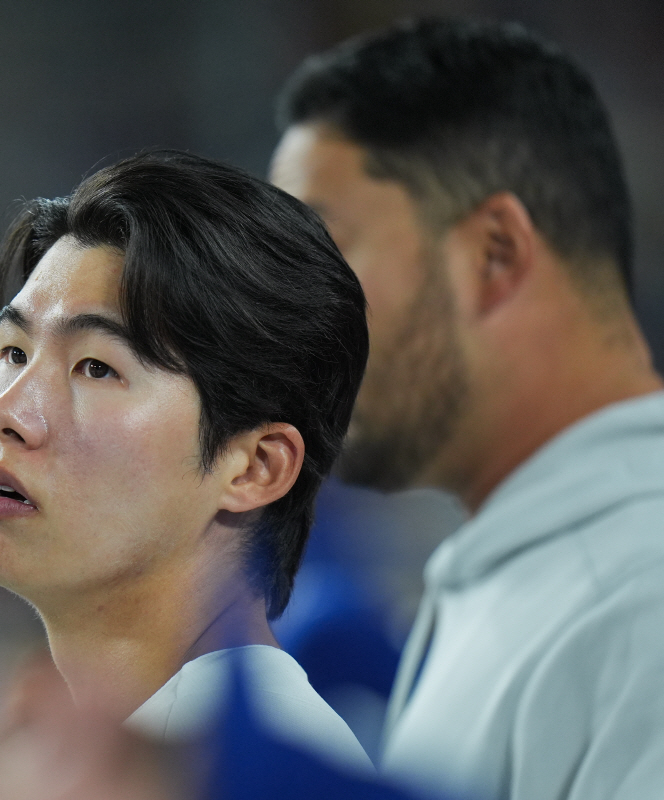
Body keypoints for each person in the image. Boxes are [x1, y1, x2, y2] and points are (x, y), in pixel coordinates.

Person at [270, 17, 664, 800]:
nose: (279, 320)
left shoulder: (641, 602)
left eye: (319, 254)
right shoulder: (541, 565)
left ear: (495, 255)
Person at [0, 149, 373, 772]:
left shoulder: (257, 773)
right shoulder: (148, 756)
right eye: (14, 352)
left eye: (95, 367)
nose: (8, 413)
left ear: (254, 467)